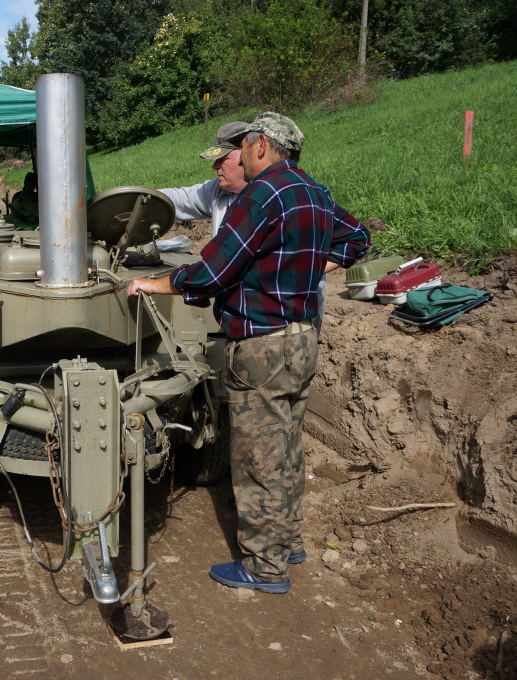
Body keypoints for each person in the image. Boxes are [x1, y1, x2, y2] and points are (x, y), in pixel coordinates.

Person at [128, 112, 370, 595]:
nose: (235, 156)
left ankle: (264, 566)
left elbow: (212, 271)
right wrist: (315, 259)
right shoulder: (313, 192)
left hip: (262, 343)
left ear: (261, 145)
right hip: (304, 337)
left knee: (258, 455)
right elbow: (359, 239)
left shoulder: (261, 194)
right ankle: (287, 541)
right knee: (286, 446)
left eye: (242, 146)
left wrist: (154, 283)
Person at [160, 120, 366, 337]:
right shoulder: (218, 192)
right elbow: (177, 199)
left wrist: (312, 266)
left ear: (251, 149)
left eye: (223, 158)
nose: (215, 166)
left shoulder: (289, 194)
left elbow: (357, 237)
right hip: (249, 326)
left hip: (280, 328)